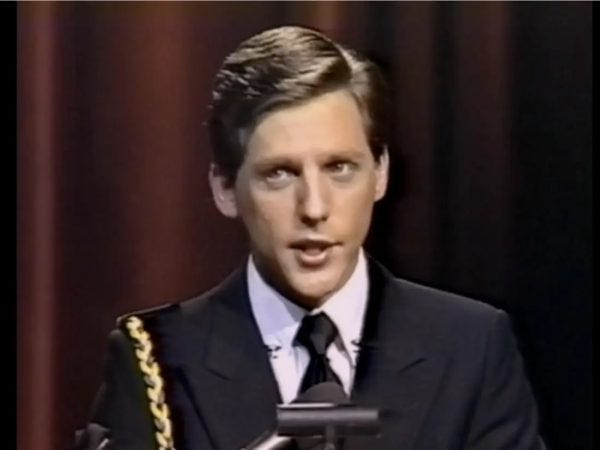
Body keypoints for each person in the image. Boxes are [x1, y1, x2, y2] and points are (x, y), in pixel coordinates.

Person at [76, 25, 545, 450]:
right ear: (225, 188)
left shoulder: (470, 346)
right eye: (280, 174)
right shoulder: (158, 358)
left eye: (340, 168)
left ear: (380, 173)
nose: (314, 208)